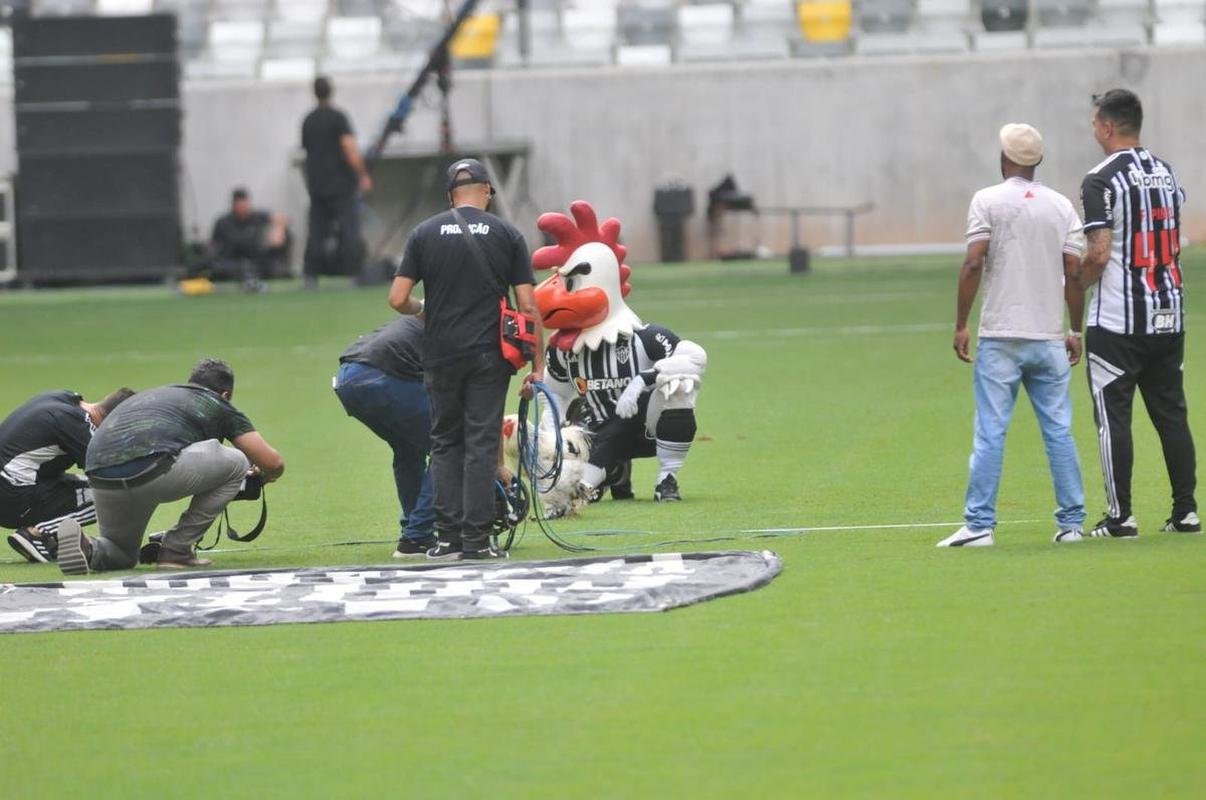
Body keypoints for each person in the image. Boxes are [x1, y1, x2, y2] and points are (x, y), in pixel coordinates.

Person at [939, 123, 1087, 548]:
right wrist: (1074, 329)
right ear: (1038, 160)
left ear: (1004, 157)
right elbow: (1074, 273)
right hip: (1048, 336)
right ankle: (1071, 524)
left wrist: (961, 323)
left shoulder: (986, 200)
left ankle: (979, 525)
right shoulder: (1061, 206)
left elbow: (974, 263)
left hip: (1001, 335)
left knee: (991, 431)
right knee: (1058, 430)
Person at [388, 157, 543, 561]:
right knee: (481, 443)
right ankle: (477, 541)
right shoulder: (507, 233)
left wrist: (424, 310)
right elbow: (528, 306)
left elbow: (398, 298)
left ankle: (447, 540)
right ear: (488, 191)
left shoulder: (423, 233)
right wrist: (538, 367)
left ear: (449, 196)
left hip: (440, 354)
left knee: (444, 443)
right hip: (489, 355)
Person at [1078, 88, 1198, 538]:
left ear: (1108, 126)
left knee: (1113, 418)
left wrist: (1073, 283)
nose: (1093, 130)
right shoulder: (1166, 172)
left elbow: (1099, 253)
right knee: (1171, 415)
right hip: (1168, 312)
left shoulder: (1100, 180)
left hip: (1118, 320)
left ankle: (1120, 516)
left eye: (1095, 123)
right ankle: (1186, 512)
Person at [56, 359, 285, 574]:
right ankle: (176, 550)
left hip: (100, 475)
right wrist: (261, 475)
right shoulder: (215, 403)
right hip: (152, 470)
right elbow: (273, 463)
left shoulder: (156, 394)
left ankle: (87, 547)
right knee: (237, 462)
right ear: (225, 395)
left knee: (121, 554)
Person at [334, 316, 437, 558]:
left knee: (407, 449)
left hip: (347, 378)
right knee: (450, 448)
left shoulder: (419, 320)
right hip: (380, 375)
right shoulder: (453, 328)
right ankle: (418, 534)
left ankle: (415, 532)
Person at [1, 387, 134, 563]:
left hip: (13, 487)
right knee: (117, 494)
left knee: (82, 483)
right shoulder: (80, 427)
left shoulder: (63, 397)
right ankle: (36, 534)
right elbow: (111, 475)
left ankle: (48, 532)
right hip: (11, 501)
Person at [301, 76, 372, 289]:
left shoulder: (308, 120)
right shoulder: (338, 118)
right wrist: (362, 175)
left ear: (314, 93)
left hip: (316, 184)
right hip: (341, 184)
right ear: (331, 91)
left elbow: (307, 152)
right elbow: (349, 148)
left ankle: (310, 275)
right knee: (349, 227)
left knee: (316, 229)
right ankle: (353, 274)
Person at [208, 187, 291, 291]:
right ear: (234, 204)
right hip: (231, 260)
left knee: (272, 267)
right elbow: (214, 245)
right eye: (240, 204)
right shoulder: (223, 222)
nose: (244, 207)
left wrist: (278, 230)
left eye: (245, 203)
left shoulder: (257, 216)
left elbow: (282, 219)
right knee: (223, 268)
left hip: (255, 259)